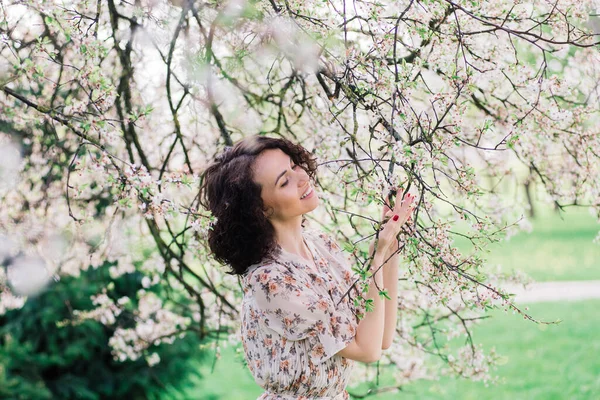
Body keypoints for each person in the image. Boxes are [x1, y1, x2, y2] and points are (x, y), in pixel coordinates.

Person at [199, 135, 415, 400]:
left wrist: (386, 247)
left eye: (293, 165)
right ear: (262, 209)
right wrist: (379, 251)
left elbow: (380, 338)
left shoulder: (322, 246)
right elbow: (366, 350)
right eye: (284, 181)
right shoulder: (270, 280)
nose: (302, 178)